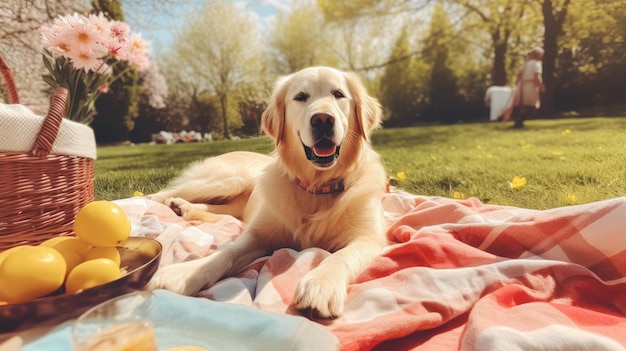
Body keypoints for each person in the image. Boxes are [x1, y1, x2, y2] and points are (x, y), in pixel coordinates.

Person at [509, 47, 545, 128]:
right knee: (532, 105)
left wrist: (516, 85)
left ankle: (518, 121)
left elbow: (519, 75)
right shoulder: (536, 64)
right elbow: (537, 76)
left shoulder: (526, 64)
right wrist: (541, 86)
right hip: (531, 85)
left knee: (523, 105)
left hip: (522, 85)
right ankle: (519, 121)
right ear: (539, 55)